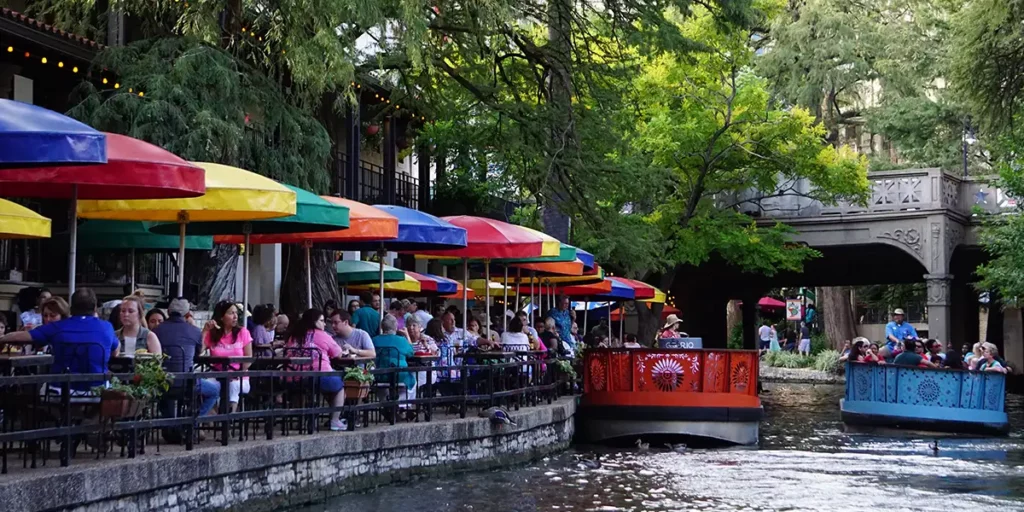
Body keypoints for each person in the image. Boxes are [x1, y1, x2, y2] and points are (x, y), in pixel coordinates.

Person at [1, 288, 118, 393]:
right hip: (97, 390)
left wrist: (2, 338)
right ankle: (90, 418)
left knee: (38, 393)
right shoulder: (107, 327)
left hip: (61, 390)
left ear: (71, 308)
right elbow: (115, 352)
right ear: (94, 308)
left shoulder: (57, 327)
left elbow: (23, 336)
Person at [154, 298, 220, 419]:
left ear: (168, 312)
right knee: (214, 391)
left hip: (161, 383)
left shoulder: (156, 331)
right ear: (188, 314)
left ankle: (169, 424)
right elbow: (197, 354)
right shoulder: (194, 331)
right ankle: (191, 422)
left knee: (166, 395)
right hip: (187, 383)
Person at [285, 308, 347, 430]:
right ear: (314, 321)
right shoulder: (323, 335)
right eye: (322, 321)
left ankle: (302, 419)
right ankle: (335, 420)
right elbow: (338, 354)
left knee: (302, 390)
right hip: (320, 376)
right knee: (339, 386)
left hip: (294, 377)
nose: (324, 324)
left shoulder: (294, 336)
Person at [202, 300, 253, 413]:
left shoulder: (243, 332)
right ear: (221, 317)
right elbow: (199, 351)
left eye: (236, 313)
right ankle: (212, 417)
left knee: (233, 386)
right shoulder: (213, 334)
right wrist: (205, 331)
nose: (235, 316)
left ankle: (229, 420)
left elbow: (249, 358)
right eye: (231, 313)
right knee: (205, 386)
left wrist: (237, 372)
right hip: (217, 375)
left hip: (239, 376)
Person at [372, 314, 416, 407]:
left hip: (380, 375)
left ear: (382, 327)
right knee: (412, 381)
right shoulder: (402, 340)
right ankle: (401, 405)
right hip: (400, 375)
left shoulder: (374, 340)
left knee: (380, 386)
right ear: (396, 327)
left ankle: (386, 405)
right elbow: (411, 354)